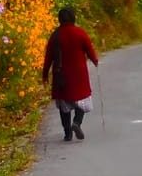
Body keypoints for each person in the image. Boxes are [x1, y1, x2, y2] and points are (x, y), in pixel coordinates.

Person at [41, 7, 99, 141]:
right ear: (74, 18)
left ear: (59, 19)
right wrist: (94, 60)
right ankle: (77, 123)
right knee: (82, 102)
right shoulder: (80, 33)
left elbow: (48, 57)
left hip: (61, 76)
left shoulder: (55, 35)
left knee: (64, 106)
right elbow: (89, 49)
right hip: (79, 74)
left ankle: (67, 133)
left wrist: (45, 74)